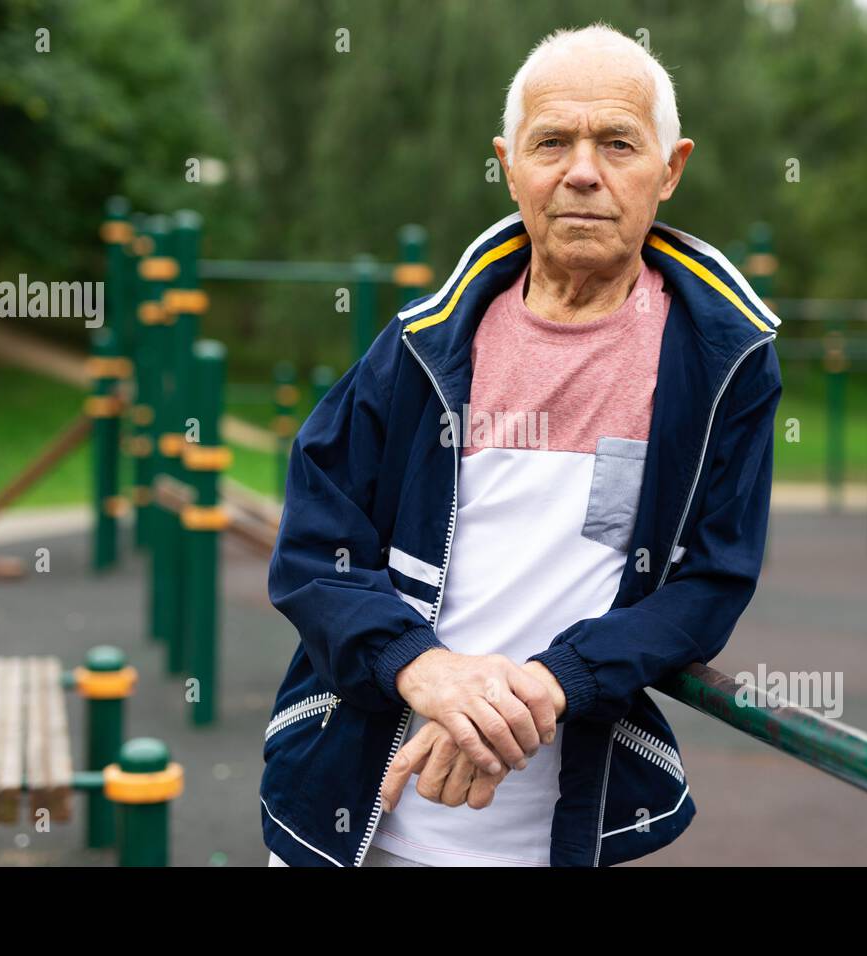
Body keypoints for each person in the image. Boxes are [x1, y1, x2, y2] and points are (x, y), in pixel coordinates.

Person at [261, 22, 783, 867]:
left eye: (617, 142)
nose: (583, 171)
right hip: (350, 810)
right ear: (510, 165)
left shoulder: (726, 363)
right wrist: (424, 670)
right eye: (553, 143)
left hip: (562, 828)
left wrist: (549, 682)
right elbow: (314, 550)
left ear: (672, 168)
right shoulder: (421, 344)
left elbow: (710, 583)